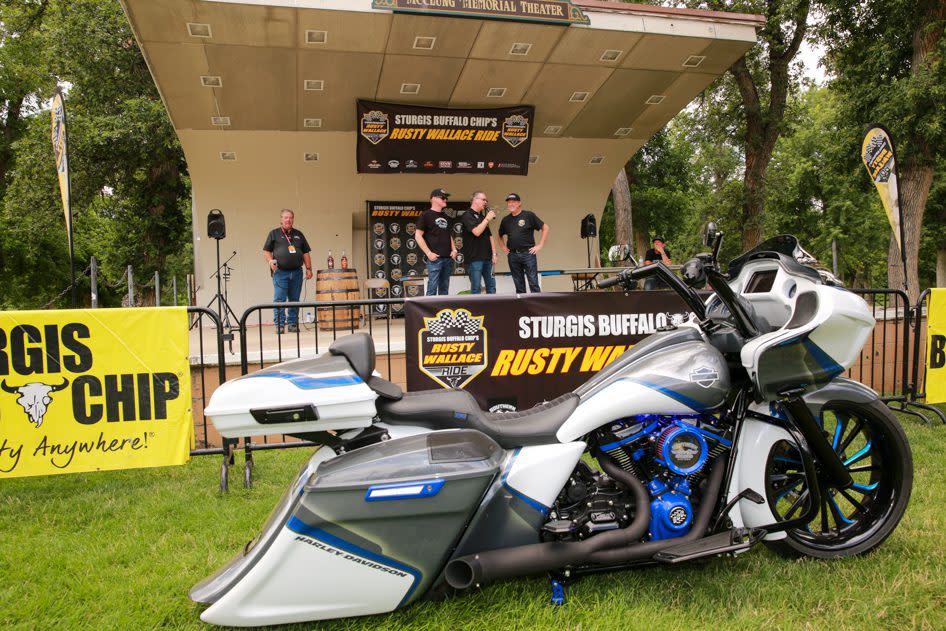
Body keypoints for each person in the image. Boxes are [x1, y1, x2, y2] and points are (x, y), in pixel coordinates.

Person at [262, 209, 312, 333]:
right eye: (285, 217)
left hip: (297, 272)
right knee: (279, 299)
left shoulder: (299, 234)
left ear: (293, 219)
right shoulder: (274, 233)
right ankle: (279, 325)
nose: (288, 220)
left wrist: (309, 268)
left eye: (290, 217)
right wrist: (270, 261)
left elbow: (305, 252)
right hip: (280, 272)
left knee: (294, 299)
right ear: (281, 219)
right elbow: (266, 251)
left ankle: (292, 324)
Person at [499, 193, 548, 293]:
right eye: (509, 202)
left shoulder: (528, 215)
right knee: (519, 285)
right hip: (512, 255)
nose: (511, 204)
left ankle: (537, 308)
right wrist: (503, 247)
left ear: (519, 203)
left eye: (513, 202)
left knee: (533, 283)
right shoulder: (505, 220)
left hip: (528, 254)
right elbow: (499, 235)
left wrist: (540, 245)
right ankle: (522, 308)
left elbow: (545, 228)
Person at [415, 188, 457, 295]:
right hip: (435, 259)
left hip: (448, 258)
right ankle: (429, 312)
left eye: (446, 198)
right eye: (443, 197)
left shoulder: (446, 216)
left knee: (444, 289)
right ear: (434, 198)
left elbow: (449, 235)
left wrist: (454, 249)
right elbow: (418, 236)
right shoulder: (426, 215)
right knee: (432, 289)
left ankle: (442, 311)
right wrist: (428, 253)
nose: (445, 200)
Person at [461, 190, 497, 294]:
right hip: (475, 259)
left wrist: (494, 253)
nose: (486, 202)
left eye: (486, 200)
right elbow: (476, 232)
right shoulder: (467, 215)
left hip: (488, 258)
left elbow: (490, 236)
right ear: (475, 200)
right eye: (483, 199)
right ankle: (477, 310)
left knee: (491, 287)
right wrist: (487, 219)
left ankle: (493, 310)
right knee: (476, 288)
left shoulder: (482, 217)